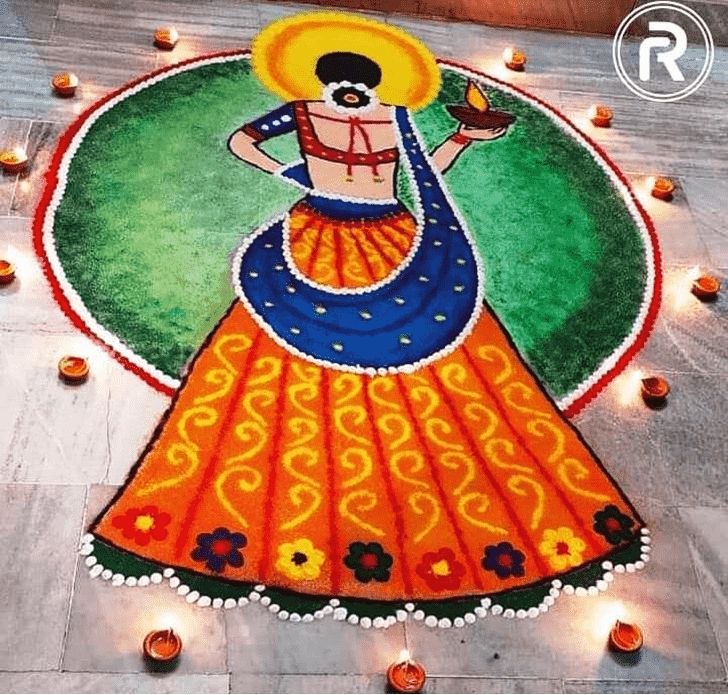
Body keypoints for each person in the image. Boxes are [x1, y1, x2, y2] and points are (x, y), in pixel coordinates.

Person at [89, 12, 645, 624]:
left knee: (451, 354)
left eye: (360, 86)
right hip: (314, 236)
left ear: (377, 88)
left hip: (394, 237)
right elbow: (240, 141)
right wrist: (286, 171)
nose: (349, 96)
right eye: (338, 84)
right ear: (322, 84)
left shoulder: (395, 120)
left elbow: (422, 174)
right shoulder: (298, 115)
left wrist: (460, 139)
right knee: (273, 356)